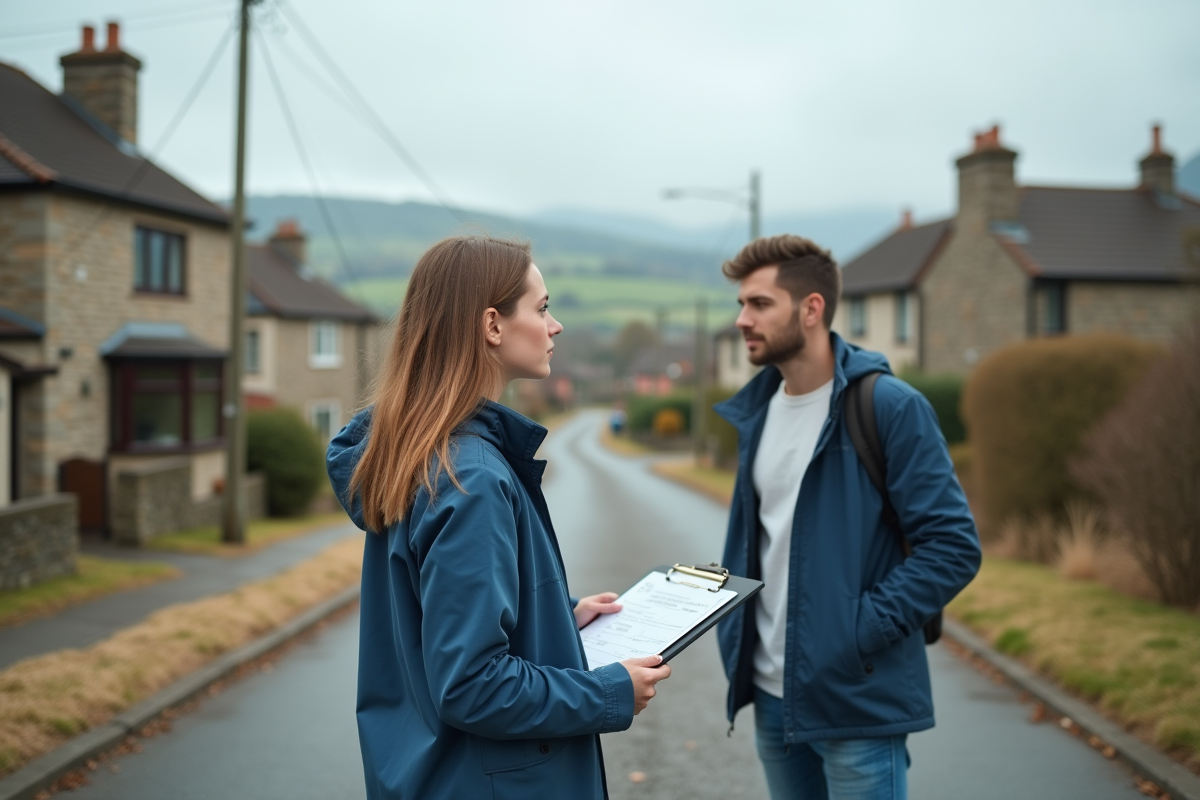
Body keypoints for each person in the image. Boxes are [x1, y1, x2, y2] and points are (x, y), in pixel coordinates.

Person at [326, 236, 670, 800]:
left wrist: (555, 620)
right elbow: (472, 685)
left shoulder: (421, 453)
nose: (555, 325)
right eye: (540, 308)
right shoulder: (472, 477)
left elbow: (435, 627)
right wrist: (609, 692)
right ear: (492, 325)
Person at [712, 235, 981, 800]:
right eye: (741, 304)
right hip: (769, 696)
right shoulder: (756, 414)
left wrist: (857, 633)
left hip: (856, 698)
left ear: (811, 309)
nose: (742, 320)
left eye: (759, 304)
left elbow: (953, 547)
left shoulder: (889, 407)